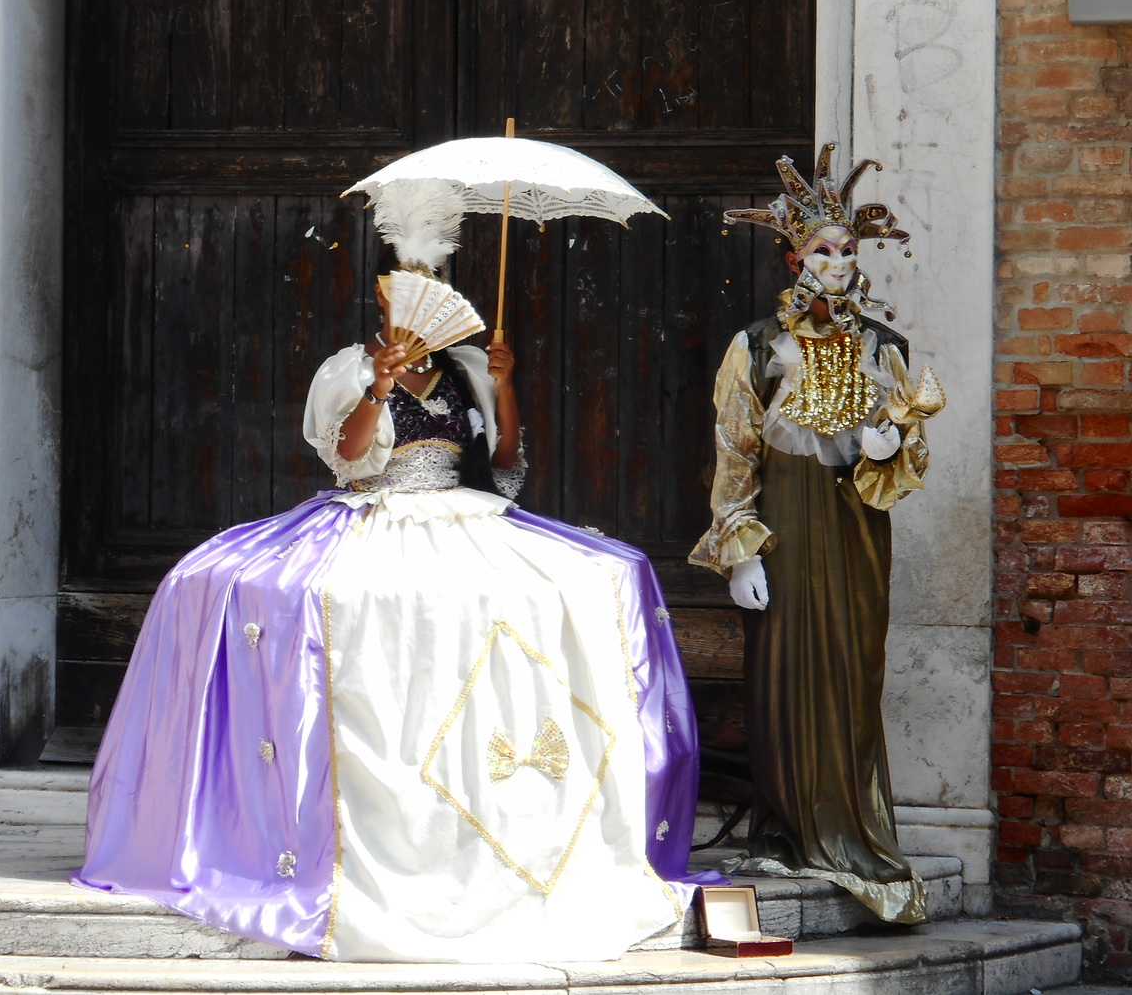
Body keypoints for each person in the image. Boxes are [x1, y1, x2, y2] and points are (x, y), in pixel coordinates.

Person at [77, 180, 715, 962]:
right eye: (405, 292)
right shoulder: (350, 369)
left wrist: (506, 386)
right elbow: (348, 458)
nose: (416, 305)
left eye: (430, 289)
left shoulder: (467, 369)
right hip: (375, 512)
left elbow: (506, 467)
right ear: (385, 299)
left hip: (464, 514)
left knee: (593, 577)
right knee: (348, 598)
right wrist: (378, 390)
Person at [689, 145, 945, 925]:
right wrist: (738, 546)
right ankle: (788, 827)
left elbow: (907, 458)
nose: (836, 264)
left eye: (847, 250)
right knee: (781, 680)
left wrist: (890, 446)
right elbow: (735, 452)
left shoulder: (885, 349)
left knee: (849, 675)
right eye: (822, 251)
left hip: (856, 535)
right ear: (795, 258)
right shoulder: (755, 345)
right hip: (784, 537)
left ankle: (854, 828)